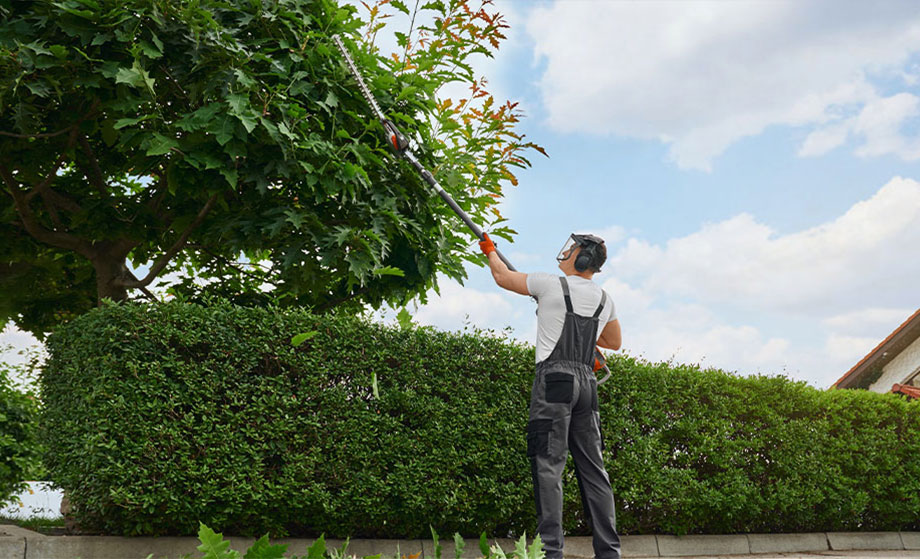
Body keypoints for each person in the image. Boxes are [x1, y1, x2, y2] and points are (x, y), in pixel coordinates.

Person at [479, 232, 622, 559]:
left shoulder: (549, 284)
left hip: (554, 382)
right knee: (594, 471)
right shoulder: (604, 298)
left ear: (582, 258)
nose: (566, 252)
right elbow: (613, 342)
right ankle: (609, 554)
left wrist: (490, 250)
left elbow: (503, 277)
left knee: (548, 467)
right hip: (587, 385)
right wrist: (589, 344)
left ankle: (551, 554)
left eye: (571, 249)